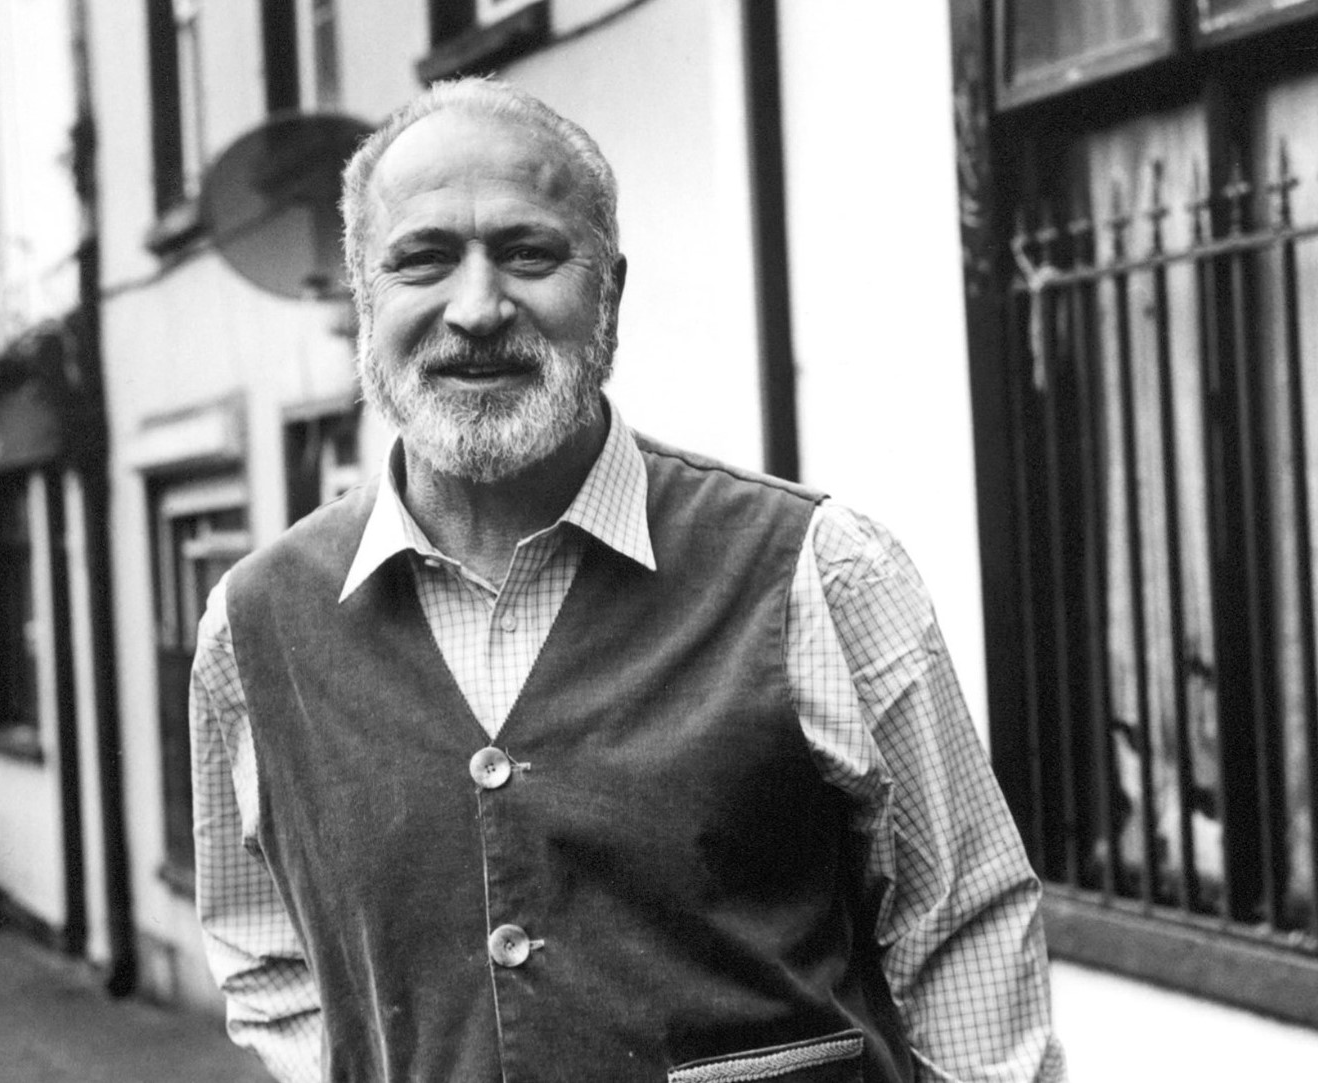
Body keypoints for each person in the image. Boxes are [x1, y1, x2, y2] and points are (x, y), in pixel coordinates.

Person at [190, 77, 1064, 1083]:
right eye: (423, 259)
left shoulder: (819, 572)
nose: (477, 309)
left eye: (528, 253)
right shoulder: (252, 628)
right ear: (362, 300)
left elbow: (964, 938)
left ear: (608, 286)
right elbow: (267, 960)